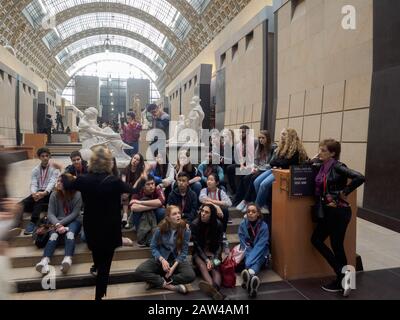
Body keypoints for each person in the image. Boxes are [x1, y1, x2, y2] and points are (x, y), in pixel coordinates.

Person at [68, 146, 137, 300]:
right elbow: (133, 190)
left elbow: (67, 184)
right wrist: (144, 176)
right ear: (108, 163)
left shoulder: (83, 179)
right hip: (110, 229)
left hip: (91, 227)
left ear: (91, 162)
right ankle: (99, 295)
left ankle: (98, 274)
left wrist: (62, 171)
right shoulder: (114, 181)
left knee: (97, 256)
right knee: (105, 266)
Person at [311, 139, 365, 297]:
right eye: (320, 149)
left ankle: (342, 277)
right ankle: (343, 275)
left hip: (339, 212)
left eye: (323, 150)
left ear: (333, 153)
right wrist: (316, 158)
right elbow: (312, 166)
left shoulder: (338, 166)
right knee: (317, 240)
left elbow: (360, 177)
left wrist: (345, 192)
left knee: (336, 245)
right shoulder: (323, 166)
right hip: (329, 211)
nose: (320, 152)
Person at [135, 205, 196, 294]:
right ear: (168, 217)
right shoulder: (160, 229)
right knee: (139, 271)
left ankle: (157, 282)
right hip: (161, 257)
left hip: (177, 259)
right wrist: (162, 260)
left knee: (190, 275)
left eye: (179, 213)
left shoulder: (185, 230)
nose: (178, 215)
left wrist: (173, 268)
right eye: (174, 214)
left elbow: (184, 251)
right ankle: (169, 286)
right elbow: (153, 246)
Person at [35, 174, 82, 275]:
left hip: (74, 221)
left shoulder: (77, 194)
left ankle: (67, 259)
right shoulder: (54, 194)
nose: (58, 183)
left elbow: (74, 213)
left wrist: (59, 224)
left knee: (70, 233)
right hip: (56, 221)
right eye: (58, 181)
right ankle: (45, 261)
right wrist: (57, 224)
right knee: (53, 235)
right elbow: (50, 213)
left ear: (67, 183)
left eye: (61, 181)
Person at [254, 128, 308, 211]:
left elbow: (286, 162)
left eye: (284, 134)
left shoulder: (296, 149)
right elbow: (274, 161)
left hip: (284, 172)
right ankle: (264, 204)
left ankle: (257, 209)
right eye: (281, 134)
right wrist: (277, 162)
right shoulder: (281, 147)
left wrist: (277, 163)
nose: (282, 136)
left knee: (263, 185)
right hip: (276, 169)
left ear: (290, 136)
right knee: (256, 182)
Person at [235, 130, 277, 212]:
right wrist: (254, 167)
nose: (261, 140)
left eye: (263, 138)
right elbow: (255, 160)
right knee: (245, 177)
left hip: (266, 170)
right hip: (258, 168)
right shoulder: (259, 146)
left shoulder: (272, 148)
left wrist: (258, 168)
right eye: (259, 138)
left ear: (267, 138)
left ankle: (246, 201)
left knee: (253, 178)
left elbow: (271, 163)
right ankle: (244, 200)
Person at [191, 204, 225, 300]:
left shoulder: (218, 225)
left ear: (212, 214)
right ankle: (216, 291)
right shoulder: (195, 224)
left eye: (206, 212)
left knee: (216, 267)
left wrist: (214, 258)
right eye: (202, 211)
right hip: (199, 254)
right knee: (202, 266)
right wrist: (207, 260)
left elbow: (220, 245)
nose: (203, 214)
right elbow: (197, 246)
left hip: (215, 254)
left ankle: (214, 289)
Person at [23, 148, 60, 235]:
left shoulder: (54, 169)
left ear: (49, 156)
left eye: (47, 156)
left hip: (49, 193)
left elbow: (52, 182)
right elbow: (33, 183)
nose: (45, 158)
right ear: (39, 157)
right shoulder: (35, 170)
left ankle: (33, 221)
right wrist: (34, 193)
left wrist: (44, 193)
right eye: (43, 156)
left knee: (39, 200)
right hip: (38, 192)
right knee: (21, 204)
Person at [239, 204, 269, 298]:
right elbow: (243, 243)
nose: (250, 213)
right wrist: (249, 257)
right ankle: (252, 278)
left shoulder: (264, 226)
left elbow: (261, 245)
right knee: (252, 261)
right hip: (247, 250)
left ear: (258, 214)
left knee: (259, 257)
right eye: (248, 211)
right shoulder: (242, 224)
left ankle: (248, 277)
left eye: (253, 211)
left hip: (261, 251)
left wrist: (248, 261)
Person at [130, 176, 166, 246]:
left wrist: (140, 202)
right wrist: (154, 206)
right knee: (136, 211)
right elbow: (133, 207)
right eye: (148, 184)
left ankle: (156, 233)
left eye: (152, 183)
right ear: (143, 186)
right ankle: (142, 234)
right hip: (141, 217)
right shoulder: (138, 190)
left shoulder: (158, 189)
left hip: (153, 214)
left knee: (162, 212)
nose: (151, 186)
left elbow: (160, 202)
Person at [226, 125, 256, 195]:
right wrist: (242, 164)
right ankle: (235, 191)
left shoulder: (254, 141)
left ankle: (242, 194)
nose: (240, 134)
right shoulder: (238, 145)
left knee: (242, 173)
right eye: (239, 132)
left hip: (253, 164)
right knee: (229, 168)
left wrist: (249, 166)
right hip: (243, 164)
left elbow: (256, 157)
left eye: (242, 132)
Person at [121, 153, 149, 228]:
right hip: (127, 190)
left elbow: (137, 184)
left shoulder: (140, 171)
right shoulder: (125, 170)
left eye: (137, 160)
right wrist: (125, 191)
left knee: (132, 194)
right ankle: (125, 215)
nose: (135, 160)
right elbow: (123, 182)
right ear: (131, 158)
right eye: (134, 158)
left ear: (140, 162)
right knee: (124, 194)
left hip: (136, 190)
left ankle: (129, 218)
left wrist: (130, 191)